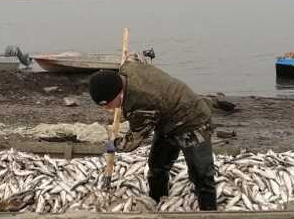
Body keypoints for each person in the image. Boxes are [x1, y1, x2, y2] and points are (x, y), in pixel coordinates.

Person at [88, 61, 217, 210]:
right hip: (166, 120)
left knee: (202, 175)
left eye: (108, 104)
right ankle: (158, 202)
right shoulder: (128, 67)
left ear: (118, 93)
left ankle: (209, 215)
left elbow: (132, 141)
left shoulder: (141, 104)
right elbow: (135, 58)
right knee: (157, 167)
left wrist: (114, 144)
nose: (106, 109)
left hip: (193, 121)